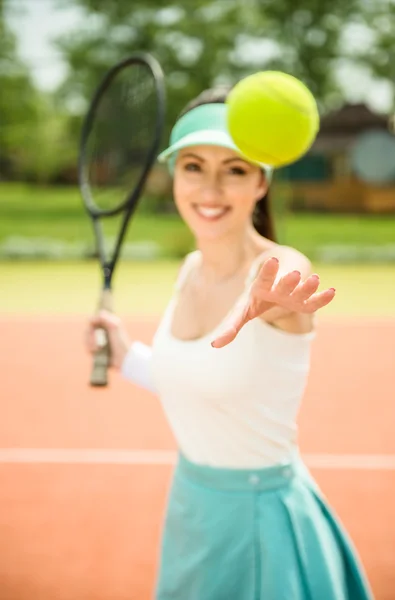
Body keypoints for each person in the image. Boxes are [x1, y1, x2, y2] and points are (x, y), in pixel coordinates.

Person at [86, 87, 373, 599]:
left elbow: (289, 279)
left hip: (260, 524)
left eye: (235, 169)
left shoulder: (280, 270)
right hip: (193, 508)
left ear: (261, 182)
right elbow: (196, 382)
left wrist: (272, 301)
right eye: (193, 166)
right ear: (174, 175)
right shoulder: (190, 269)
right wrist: (126, 355)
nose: (210, 188)